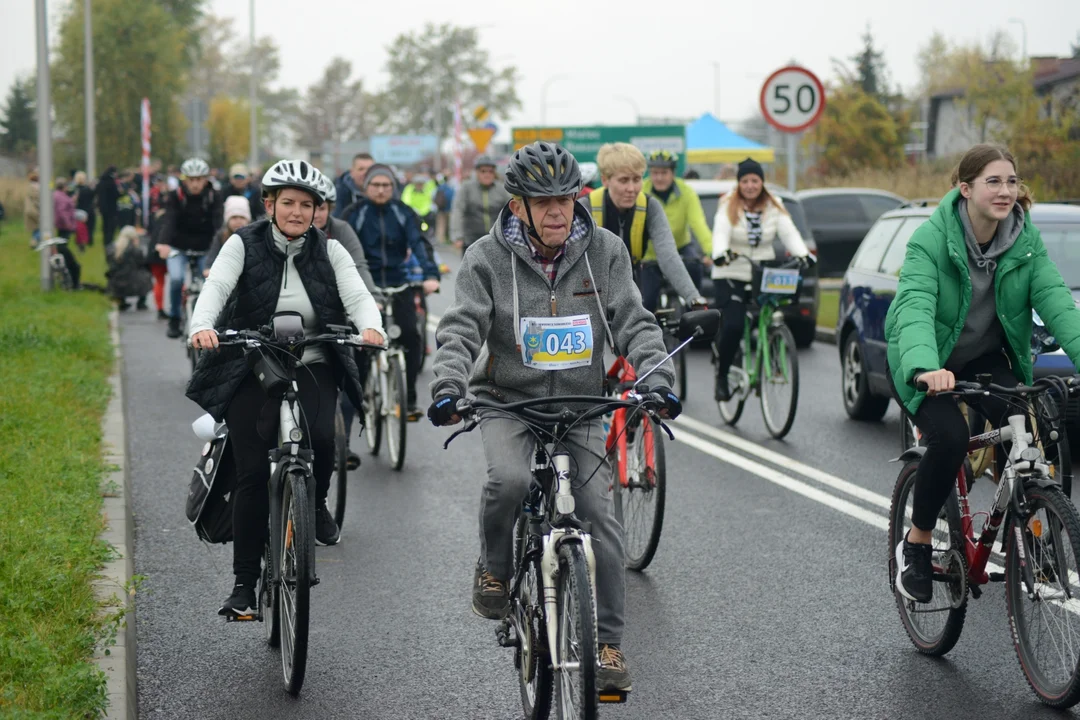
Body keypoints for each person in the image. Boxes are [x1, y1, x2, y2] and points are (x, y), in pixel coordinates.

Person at [428, 141, 683, 694]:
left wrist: (656, 378)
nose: (557, 212)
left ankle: (609, 643)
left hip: (581, 404)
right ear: (517, 206)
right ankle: (495, 566)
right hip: (506, 399)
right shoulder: (484, 258)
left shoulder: (605, 252)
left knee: (599, 513)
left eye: (565, 199)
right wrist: (449, 385)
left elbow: (634, 322)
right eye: (543, 202)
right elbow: (461, 329)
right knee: (510, 479)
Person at [186, 159, 385, 615]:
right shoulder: (243, 243)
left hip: (314, 361)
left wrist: (371, 327)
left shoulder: (330, 250)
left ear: (319, 210)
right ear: (270, 204)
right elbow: (216, 288)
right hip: (252, 364)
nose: (297, 212)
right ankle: (243, 584)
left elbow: (357, 296)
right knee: (253, 473)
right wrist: (203, 326)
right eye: (288, 203)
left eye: (307, 205)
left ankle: (313, 504)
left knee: (322, 442)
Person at [885, 143, 1080, 604]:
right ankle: (915, 542)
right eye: (993, 181)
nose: (1005, 190)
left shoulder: (1023, 241)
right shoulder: (930, 240)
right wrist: (924, 367)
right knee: (950, 438)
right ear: (965, 189)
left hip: (982, 358)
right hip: (925, 359)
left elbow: (1056, 301)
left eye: (1011, 181)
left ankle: (1034, 535)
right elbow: (915, 306)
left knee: (1032, 426)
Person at [342, 163, 440, 420]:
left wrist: (430, 275)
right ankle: (360, 398)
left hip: (399, 283)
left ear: (393, 188)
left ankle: (408, 399)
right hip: (364, 287)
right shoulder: (354, 213)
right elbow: (341, 249)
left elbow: (419, 243)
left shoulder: (403, 212)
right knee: (362, 344)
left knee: (411, 336)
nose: (381, 190)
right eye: (376, 185)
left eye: (386, 185)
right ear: (366, 187)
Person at [711, 158, 813, 401]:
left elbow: (790, 233)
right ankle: (722, 376)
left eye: (754, 180)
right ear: (739, 183)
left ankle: (771, 345)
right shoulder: (728, 204)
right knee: (734, 326)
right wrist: (720, 253)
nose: (750, 185)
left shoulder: (773, 205)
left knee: (771, 313)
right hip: (731, 271)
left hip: (762, 273)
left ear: (762, 183)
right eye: (745, 180)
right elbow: (721, 233)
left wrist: (803, 254)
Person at [312, 170, 384, 469]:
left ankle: (341, 444)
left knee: (348, 374)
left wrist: (372, 300)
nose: (314, 213)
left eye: (321, 207)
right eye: (307, 205)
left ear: (330, 208)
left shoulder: (340, 233)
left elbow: (359, 266)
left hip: (338, 312)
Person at [584, 142, 705, 312]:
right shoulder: (586, 207)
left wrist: (694, 298)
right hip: (594, 290)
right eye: (624, 180)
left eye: (637, 179)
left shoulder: (650, 206)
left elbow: (668, 255)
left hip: (632, 283)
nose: (632, 189)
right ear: (605, 180)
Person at [156, 158, 223, 339]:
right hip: (180, 247)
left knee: (209, 283)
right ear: (184, 179)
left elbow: (218, 224)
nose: (195, 184)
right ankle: (175, 319)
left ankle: (210, 322)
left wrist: (223, 246)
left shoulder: (214, 196)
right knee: (177, 279)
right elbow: (169, 220)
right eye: (191, 179)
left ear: (206, 179)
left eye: (199, 179)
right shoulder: (176, 196)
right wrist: (163, 243)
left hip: (205, 247)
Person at [643, 150, 713, 293]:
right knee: (647, 300)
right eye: (655, 173)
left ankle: (695, 311)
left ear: (673, 173)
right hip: (650, 252)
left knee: (694, 267)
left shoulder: (686, 192)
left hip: (680, 246)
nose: (659, 177)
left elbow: (698, 223)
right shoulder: (641, 191)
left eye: (664, 173)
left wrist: (711, 252)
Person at [450, 155, 510, 253]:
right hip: (471, 239)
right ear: (477, 172)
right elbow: (458, 211)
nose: (487, 174)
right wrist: (457, 236)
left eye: (490, 171)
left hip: (495, 239)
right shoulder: (466, 188)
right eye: (483, 171)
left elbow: (511, 210)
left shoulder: (501, 189)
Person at [48, 177, 82, 289]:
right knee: (63, 246)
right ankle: (71, 270)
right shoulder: (62, 197)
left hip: (59, 225)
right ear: (64, 187)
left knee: (62, 246)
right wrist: (68, 223)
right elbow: (62, 211)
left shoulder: (55, 195)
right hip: (64, 226)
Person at [106, 225, 152, 310]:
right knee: (146, 275)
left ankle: (121, 300)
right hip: (133, 281)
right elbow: (141, 263)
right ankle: (141, 302)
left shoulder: (111, 248)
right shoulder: (136, 250)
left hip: (116, 280)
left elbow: (109, 264)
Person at [205, 195, 253, 272]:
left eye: (242, 217)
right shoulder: (221, 236)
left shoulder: (254, 236)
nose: (238, 221)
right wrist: (208, 267)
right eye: (234, 217)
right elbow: (213, 254)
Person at [333, 153, 375, 217]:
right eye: (361, 169)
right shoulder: (339, 194)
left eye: (369, 169)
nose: (365, 173)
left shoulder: (386, 193)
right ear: (351, 172)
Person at [70, 171, 97, 246]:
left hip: (79, 210)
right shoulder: (88, 189)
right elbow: (93, 196)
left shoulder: (74, 189)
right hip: (89, 210)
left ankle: (80, 241)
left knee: (80, 228)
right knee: (90, 228)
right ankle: (90, 241)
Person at [97, 166, 121, 247]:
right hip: (111, 208)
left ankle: (105, 241)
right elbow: (116, 194)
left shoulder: (101, 181)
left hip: (103, 208)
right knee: (111, 226)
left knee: (105, 225)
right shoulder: (111, 182)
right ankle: (109, 242)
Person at [24, 168, 41, 247]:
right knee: (42, 226)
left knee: (36, 227)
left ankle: (36, 243)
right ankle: (34, 242)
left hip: (29, 210)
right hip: (34, 210)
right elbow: (37, 199)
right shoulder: (36, 187)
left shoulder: (29, 186)